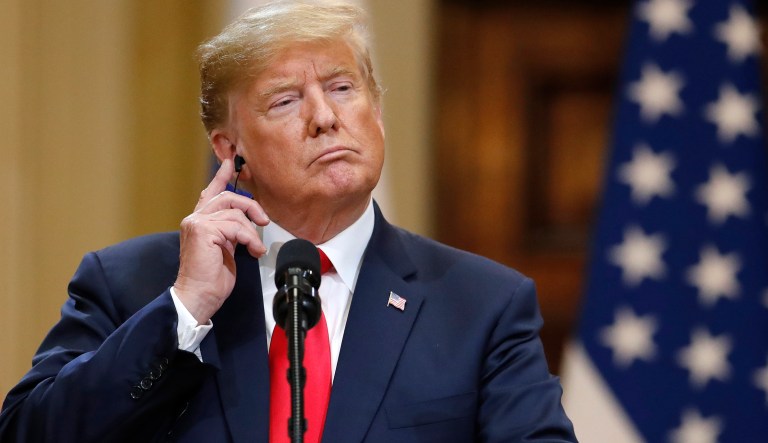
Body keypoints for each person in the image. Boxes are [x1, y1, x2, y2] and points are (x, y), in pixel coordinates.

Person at [0, 1, 577, 442]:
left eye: (342, 88)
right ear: (230, 149)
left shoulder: (481, 305)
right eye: (285, 101)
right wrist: (185, 311)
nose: (325, 117)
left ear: (376, 112)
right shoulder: (131, 283)